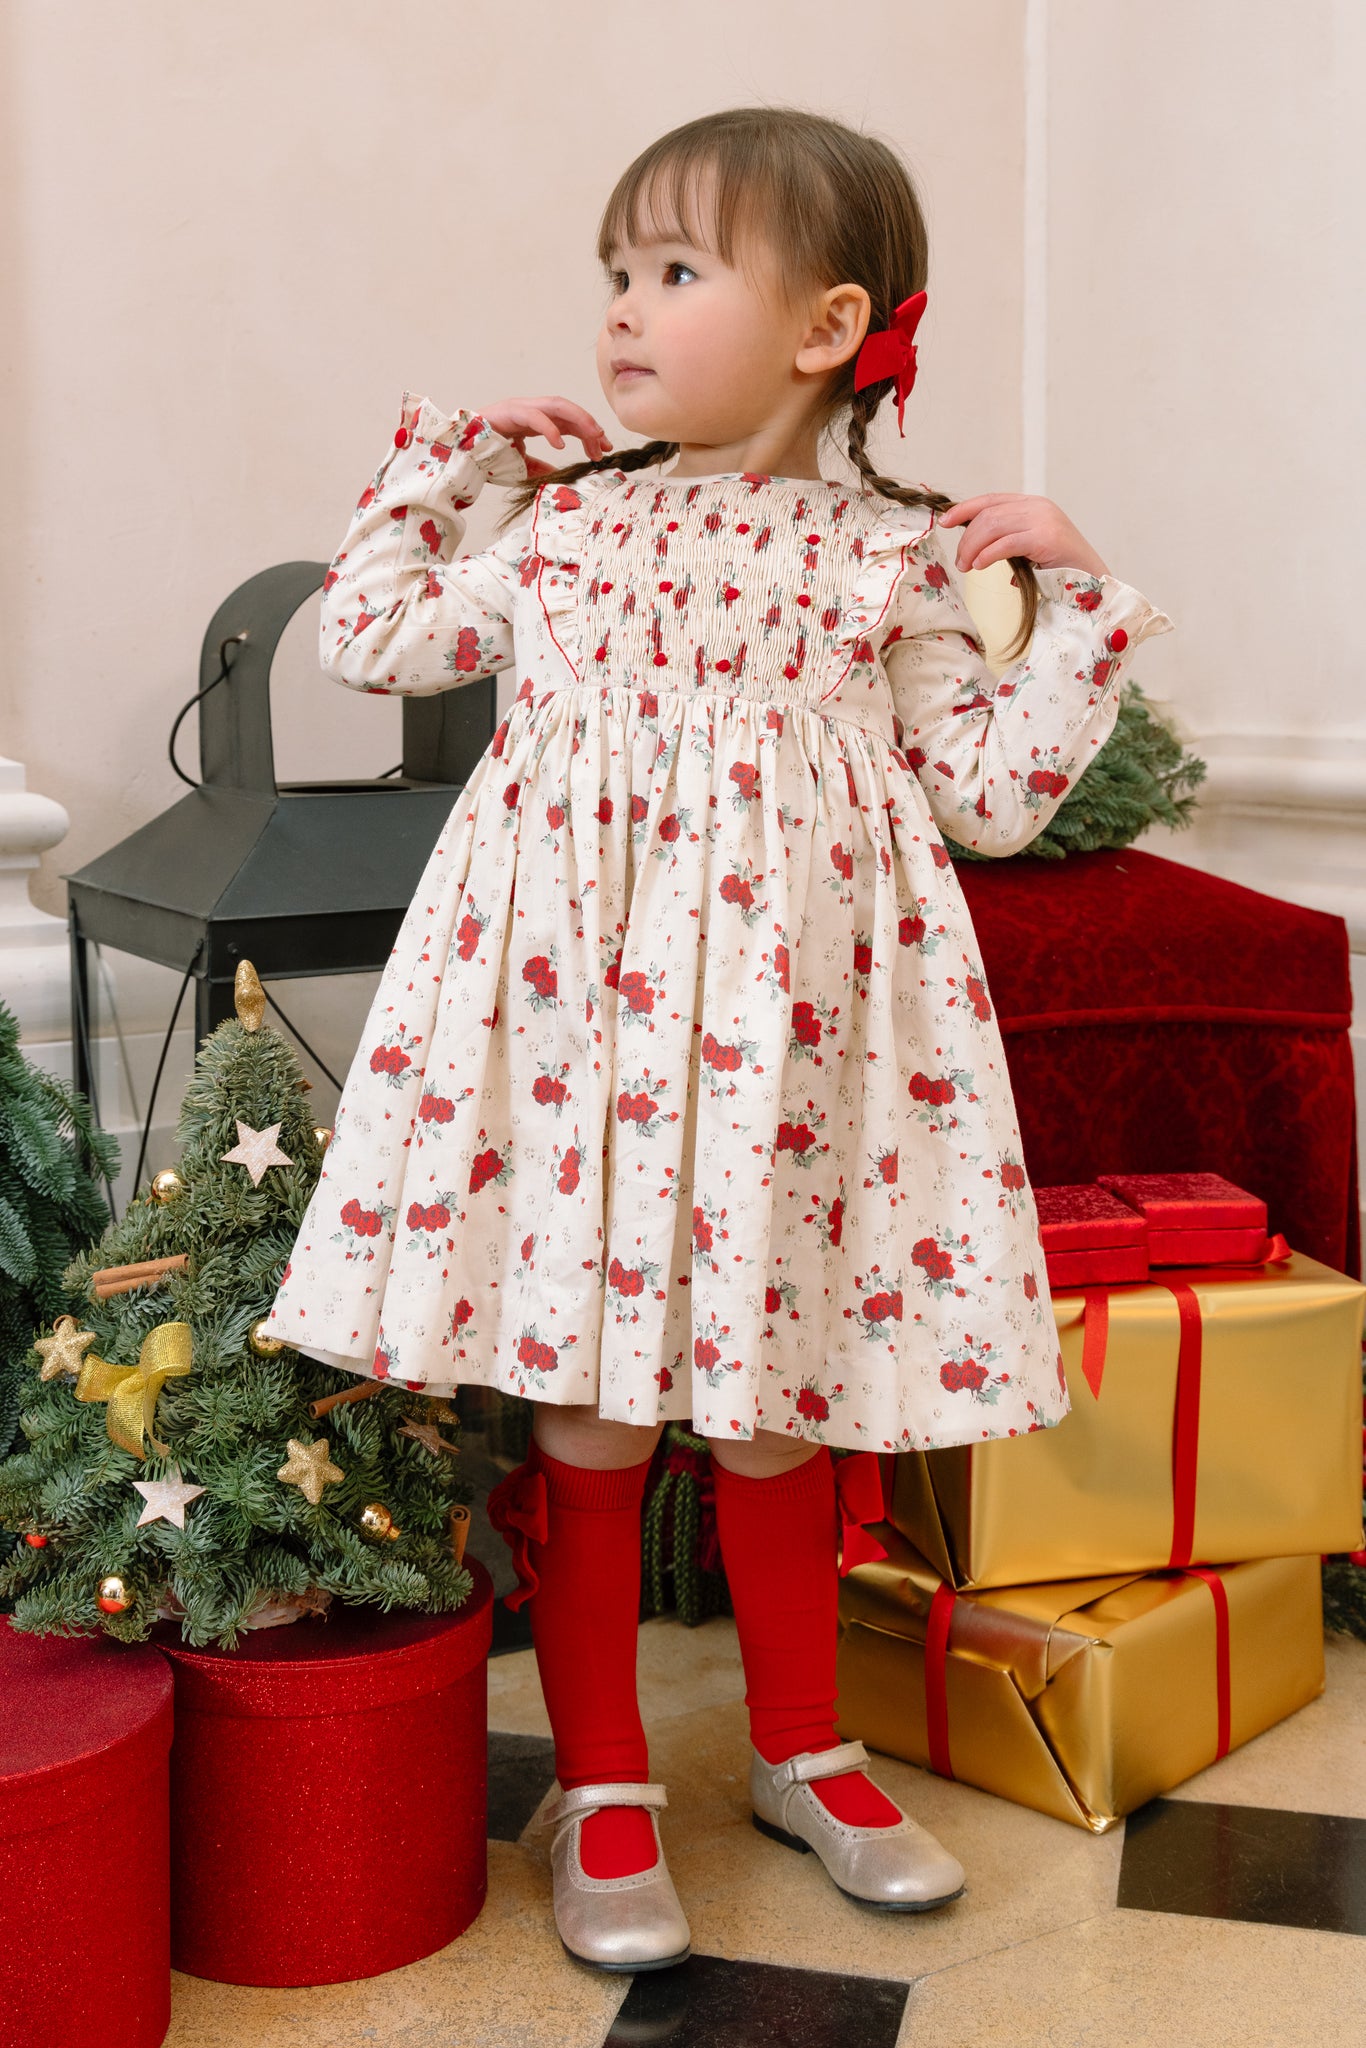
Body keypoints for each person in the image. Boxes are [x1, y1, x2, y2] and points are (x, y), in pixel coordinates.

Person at [262, 105, 1171, 1973]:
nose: (619, 314)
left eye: (673, 273)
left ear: (828, 324)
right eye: (614, 273)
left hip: (789, 1049)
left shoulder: (896, 563)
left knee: (769, 1408)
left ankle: (800, 1748)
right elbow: (370, 636)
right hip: (582, 1026)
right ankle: (603, 1777)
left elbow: (990, 800)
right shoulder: (568, 525)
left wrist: (1073, 600)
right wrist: (445, 469)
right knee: (594, 1405)